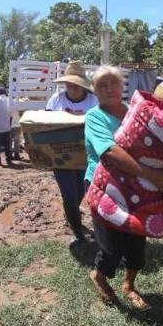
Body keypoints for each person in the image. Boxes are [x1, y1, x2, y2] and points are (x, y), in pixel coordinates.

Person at [84, 66, 163, 309]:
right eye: (102, 85)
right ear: (95, 91)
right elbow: (110, 152)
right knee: (111, 247)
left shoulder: (135, 112)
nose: (109, 88)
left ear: (122, 85)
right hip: (104, 186)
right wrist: (151, 174)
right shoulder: (94, 117)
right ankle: (99, 276)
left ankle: (129, 285)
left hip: (138, 186)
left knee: (136, 243)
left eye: (113, 82)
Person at [46, 60, 99, 244]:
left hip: (86, 157)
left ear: (83, 85)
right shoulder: (56, 99)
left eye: (76, 85)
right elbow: (44, 124)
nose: (72, 88)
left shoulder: (94, 101)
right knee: (68, 193)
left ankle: (70, 212)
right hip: (61, 156)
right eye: (69, 84)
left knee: (79, 192)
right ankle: (77, 229)